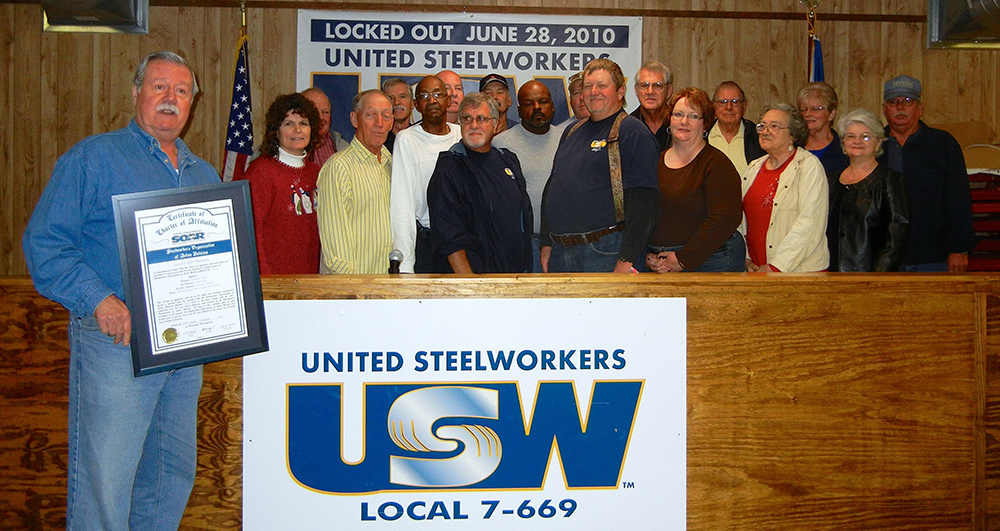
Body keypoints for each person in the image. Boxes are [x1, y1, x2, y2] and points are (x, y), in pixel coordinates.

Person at [22, 51, 220, 529]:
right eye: (159, 87)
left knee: (169, 476)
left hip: (184, 348)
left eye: (181, 91)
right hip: (117, 341)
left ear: (192, 103)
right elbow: (45, 244)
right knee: (106, 482)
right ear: (135, 94)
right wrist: (98, 298)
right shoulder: (93, 158)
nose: (170, 98)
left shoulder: (205, 175)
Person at [540, 58, 660, 273]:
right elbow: (552, 188)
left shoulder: (631, 132)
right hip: (561, 251)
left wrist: (627, 259)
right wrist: (546, 243)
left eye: (602, 85)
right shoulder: (571, 131)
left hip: (605, 252)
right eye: (588, 86)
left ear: (620, 91)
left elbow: (644, 203)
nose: (593, 92)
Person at [427, 92, 533, 273]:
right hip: (474, 279)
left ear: (495, 124)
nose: (474, 125)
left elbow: (523, 218)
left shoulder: (509, 160)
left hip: (514, 275)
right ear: (460, 124)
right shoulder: (450, 167)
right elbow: (448, 235)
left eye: (482, 119)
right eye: (467, 119)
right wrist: (469, 282)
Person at [879, 75, 976, 272]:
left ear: (920, 108)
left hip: (933, 256)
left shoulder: (943, 145)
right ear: (884, 110)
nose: (900, 107)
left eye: (908, 101)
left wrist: (959, 248)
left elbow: (958, 198)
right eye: (893, 102)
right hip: (883, 257)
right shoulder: (873, 146)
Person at [644, 87, 745, 273]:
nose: (684, 121)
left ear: (705, 123)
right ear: (669, 119)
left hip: (714, 261)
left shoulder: (717, 164)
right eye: (678, 114)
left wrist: (683, 259)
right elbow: (642, 213)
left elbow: (724, 219)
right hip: (661, 263)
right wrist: (646, 255)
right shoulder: (654, 162)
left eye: (693, 116)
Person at [238, 93, 322, 274]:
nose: (298, 130)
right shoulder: (260, 172)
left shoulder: (316, 172)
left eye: (304, 123)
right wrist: (265, 279)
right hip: (274, 279)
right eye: (289, 124)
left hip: (311, 278)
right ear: (276, 130)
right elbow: (251, 231)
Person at [741, 103, 829, 272]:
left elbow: (810, 224)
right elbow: (742, 221)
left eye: (774, 126)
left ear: (793, 135)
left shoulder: (808, 166)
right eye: (762, 126)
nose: (765, 131)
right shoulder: (754, 167)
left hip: (800, 272)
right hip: (757, 270)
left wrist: (776, 267)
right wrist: (745, 258)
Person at [389, 75, 463, 273]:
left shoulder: (462, 134)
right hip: (427, 243)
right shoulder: (407, 139)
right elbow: (402, 206)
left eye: (438, 94)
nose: (432, 100)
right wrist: (405, 264)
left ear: (448, 100)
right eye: (424, 96)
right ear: (416, 105)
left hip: (462, 242)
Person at [318, 89, 394, 274]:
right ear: (354, 119)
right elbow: (335, 244)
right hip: (354, 284)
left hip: (388, 282)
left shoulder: (392, 165)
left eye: (386, 116)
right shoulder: (339, 167)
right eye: (370, 115)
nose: (379, 123)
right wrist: (352, 287)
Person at [493, 80, 565, 272]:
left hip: (562, 243)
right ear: (518, 111)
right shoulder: (500, 144)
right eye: (528, 103)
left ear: (552, 106)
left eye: (543, 101)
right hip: (523, 243)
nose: (537, 107)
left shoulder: (568, 140)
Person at [827, 109, 910, 272]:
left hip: (872, 277)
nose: (857, 141)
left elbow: (896, 236)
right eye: (851, 136)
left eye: (865, 136)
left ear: (878, 142)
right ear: (843, 142)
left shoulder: (891, 181)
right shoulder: (830, 180)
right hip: (830, 274)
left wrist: (875, 277)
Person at [708, 80, 765, 178]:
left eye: (735, 102)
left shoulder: (758, 137)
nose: (729, 107)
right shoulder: (701, 135)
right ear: (714, 106)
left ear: (744, 106)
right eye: (723, 102)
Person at [797, 82, 849, 176]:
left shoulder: (844, 150)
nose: (807, 114)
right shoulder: (793, 147)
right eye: (803, 110)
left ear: (831, 114)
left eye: (815, 109)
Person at [630, 60, 673, 152]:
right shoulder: (628, 126)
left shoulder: (679, 124)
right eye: (644, 85)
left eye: (657, 86)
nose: (650, 92)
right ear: (636, 90)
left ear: (669, 91)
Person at [301, 87, 350, 166]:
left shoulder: (344, 148)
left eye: (325, 112)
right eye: (314, 112)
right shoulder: (290, 147)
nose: (321, 117)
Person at [381, 78, 413, 153]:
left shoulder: (420, 138)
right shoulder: (377, 139)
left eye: (402, 97)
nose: (396, 102)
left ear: (412, 103)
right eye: (391, 98)